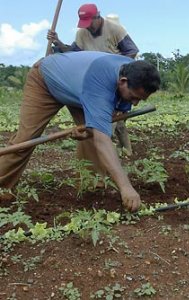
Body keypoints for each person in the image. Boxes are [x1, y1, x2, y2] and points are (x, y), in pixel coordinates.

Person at [0, 51, 161, 212]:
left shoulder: (132, 70)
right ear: (122, 81)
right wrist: (126, 187)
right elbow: (103, 140)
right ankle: (2, 186)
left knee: (93, 135)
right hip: (46, 80)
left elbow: (105, 120)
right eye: (134, 97)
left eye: (140, 99)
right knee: (26, 139)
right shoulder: (101, 85)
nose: (135, 103)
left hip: (81, 89)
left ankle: (92, 188)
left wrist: (89, 131)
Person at [47, 3, 139, 155]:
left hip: (114, 82)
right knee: (114, 121)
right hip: (94, 83)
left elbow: (132, 51)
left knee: (111, 122)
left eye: (90, 23)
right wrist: (57, 42)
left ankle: (115, 156)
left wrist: (115, 68)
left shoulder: (115, 29)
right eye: (85, 24)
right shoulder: (82, 33)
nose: (88, 27)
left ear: (98, 17)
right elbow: (73, 53)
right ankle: (125, 153)